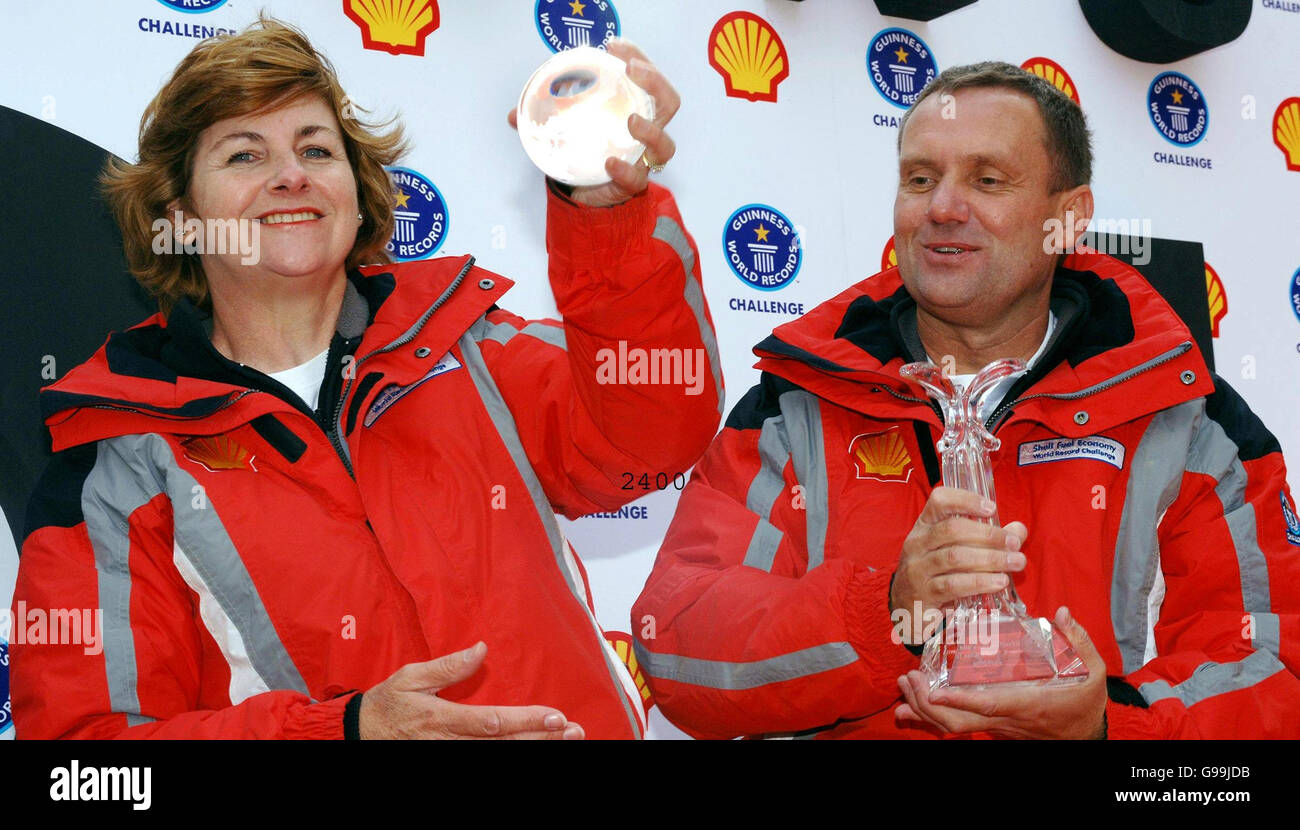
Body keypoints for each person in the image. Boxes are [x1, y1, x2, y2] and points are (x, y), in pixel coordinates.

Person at [11, 18, 721, 739]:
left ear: (357, 194)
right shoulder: (117, 458)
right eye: (243, 155)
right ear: (183, 220)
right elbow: (88, 758)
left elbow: (648, 441)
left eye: (316, 149)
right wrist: (340, 732)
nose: (291, 174)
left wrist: (609, 221)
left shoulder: (468, 342)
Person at [631, 61, 1300, 739]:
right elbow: (679, 647)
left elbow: (1273, 674)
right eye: (920, 178)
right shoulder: (797, 403)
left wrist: (1105, 728)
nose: (943, 207)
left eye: (987, 179)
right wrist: (887, 613)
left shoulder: (1186, 418)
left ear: (1068, 218)